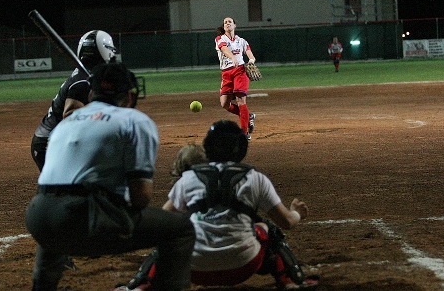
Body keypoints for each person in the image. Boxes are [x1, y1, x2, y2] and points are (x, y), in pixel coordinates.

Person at [25, 62, 196, 291]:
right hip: (85, 218)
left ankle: (42, 287)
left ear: (90, 93)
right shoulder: (135, 120)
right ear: (128, 95)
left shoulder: (64, 124)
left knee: (57, 216)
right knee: (181, 229)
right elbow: (141, 198)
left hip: (38, 217)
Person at [121, 120, 320, 291]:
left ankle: (141, 284)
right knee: (268, 229)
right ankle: (290, 279)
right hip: (244, 265)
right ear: (241, 148)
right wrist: (296, 213)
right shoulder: (255, 178)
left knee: (170, 237)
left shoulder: (189, 178)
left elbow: (162, 223)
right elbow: (287, 222)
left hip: (192, 269)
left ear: (208, 147)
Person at [30, 30, 117, 172]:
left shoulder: (88, 75)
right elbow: (70, 114)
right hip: (50, 143)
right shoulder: (83, 81)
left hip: (56, 140)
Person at [215, 17, 257, 140]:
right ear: (223, 27)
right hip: (226, 73)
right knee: (224, 104)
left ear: (235, 25)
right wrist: (232, 57)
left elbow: (249, 52)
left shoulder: (241, 41)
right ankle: (248, 116)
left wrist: (251, 60)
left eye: (230, 22)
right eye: (225, 22)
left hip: (240, 71)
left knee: (240, 101)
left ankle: (244, 133)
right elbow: (224, 48)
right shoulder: (220, 39)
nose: (227, 23)